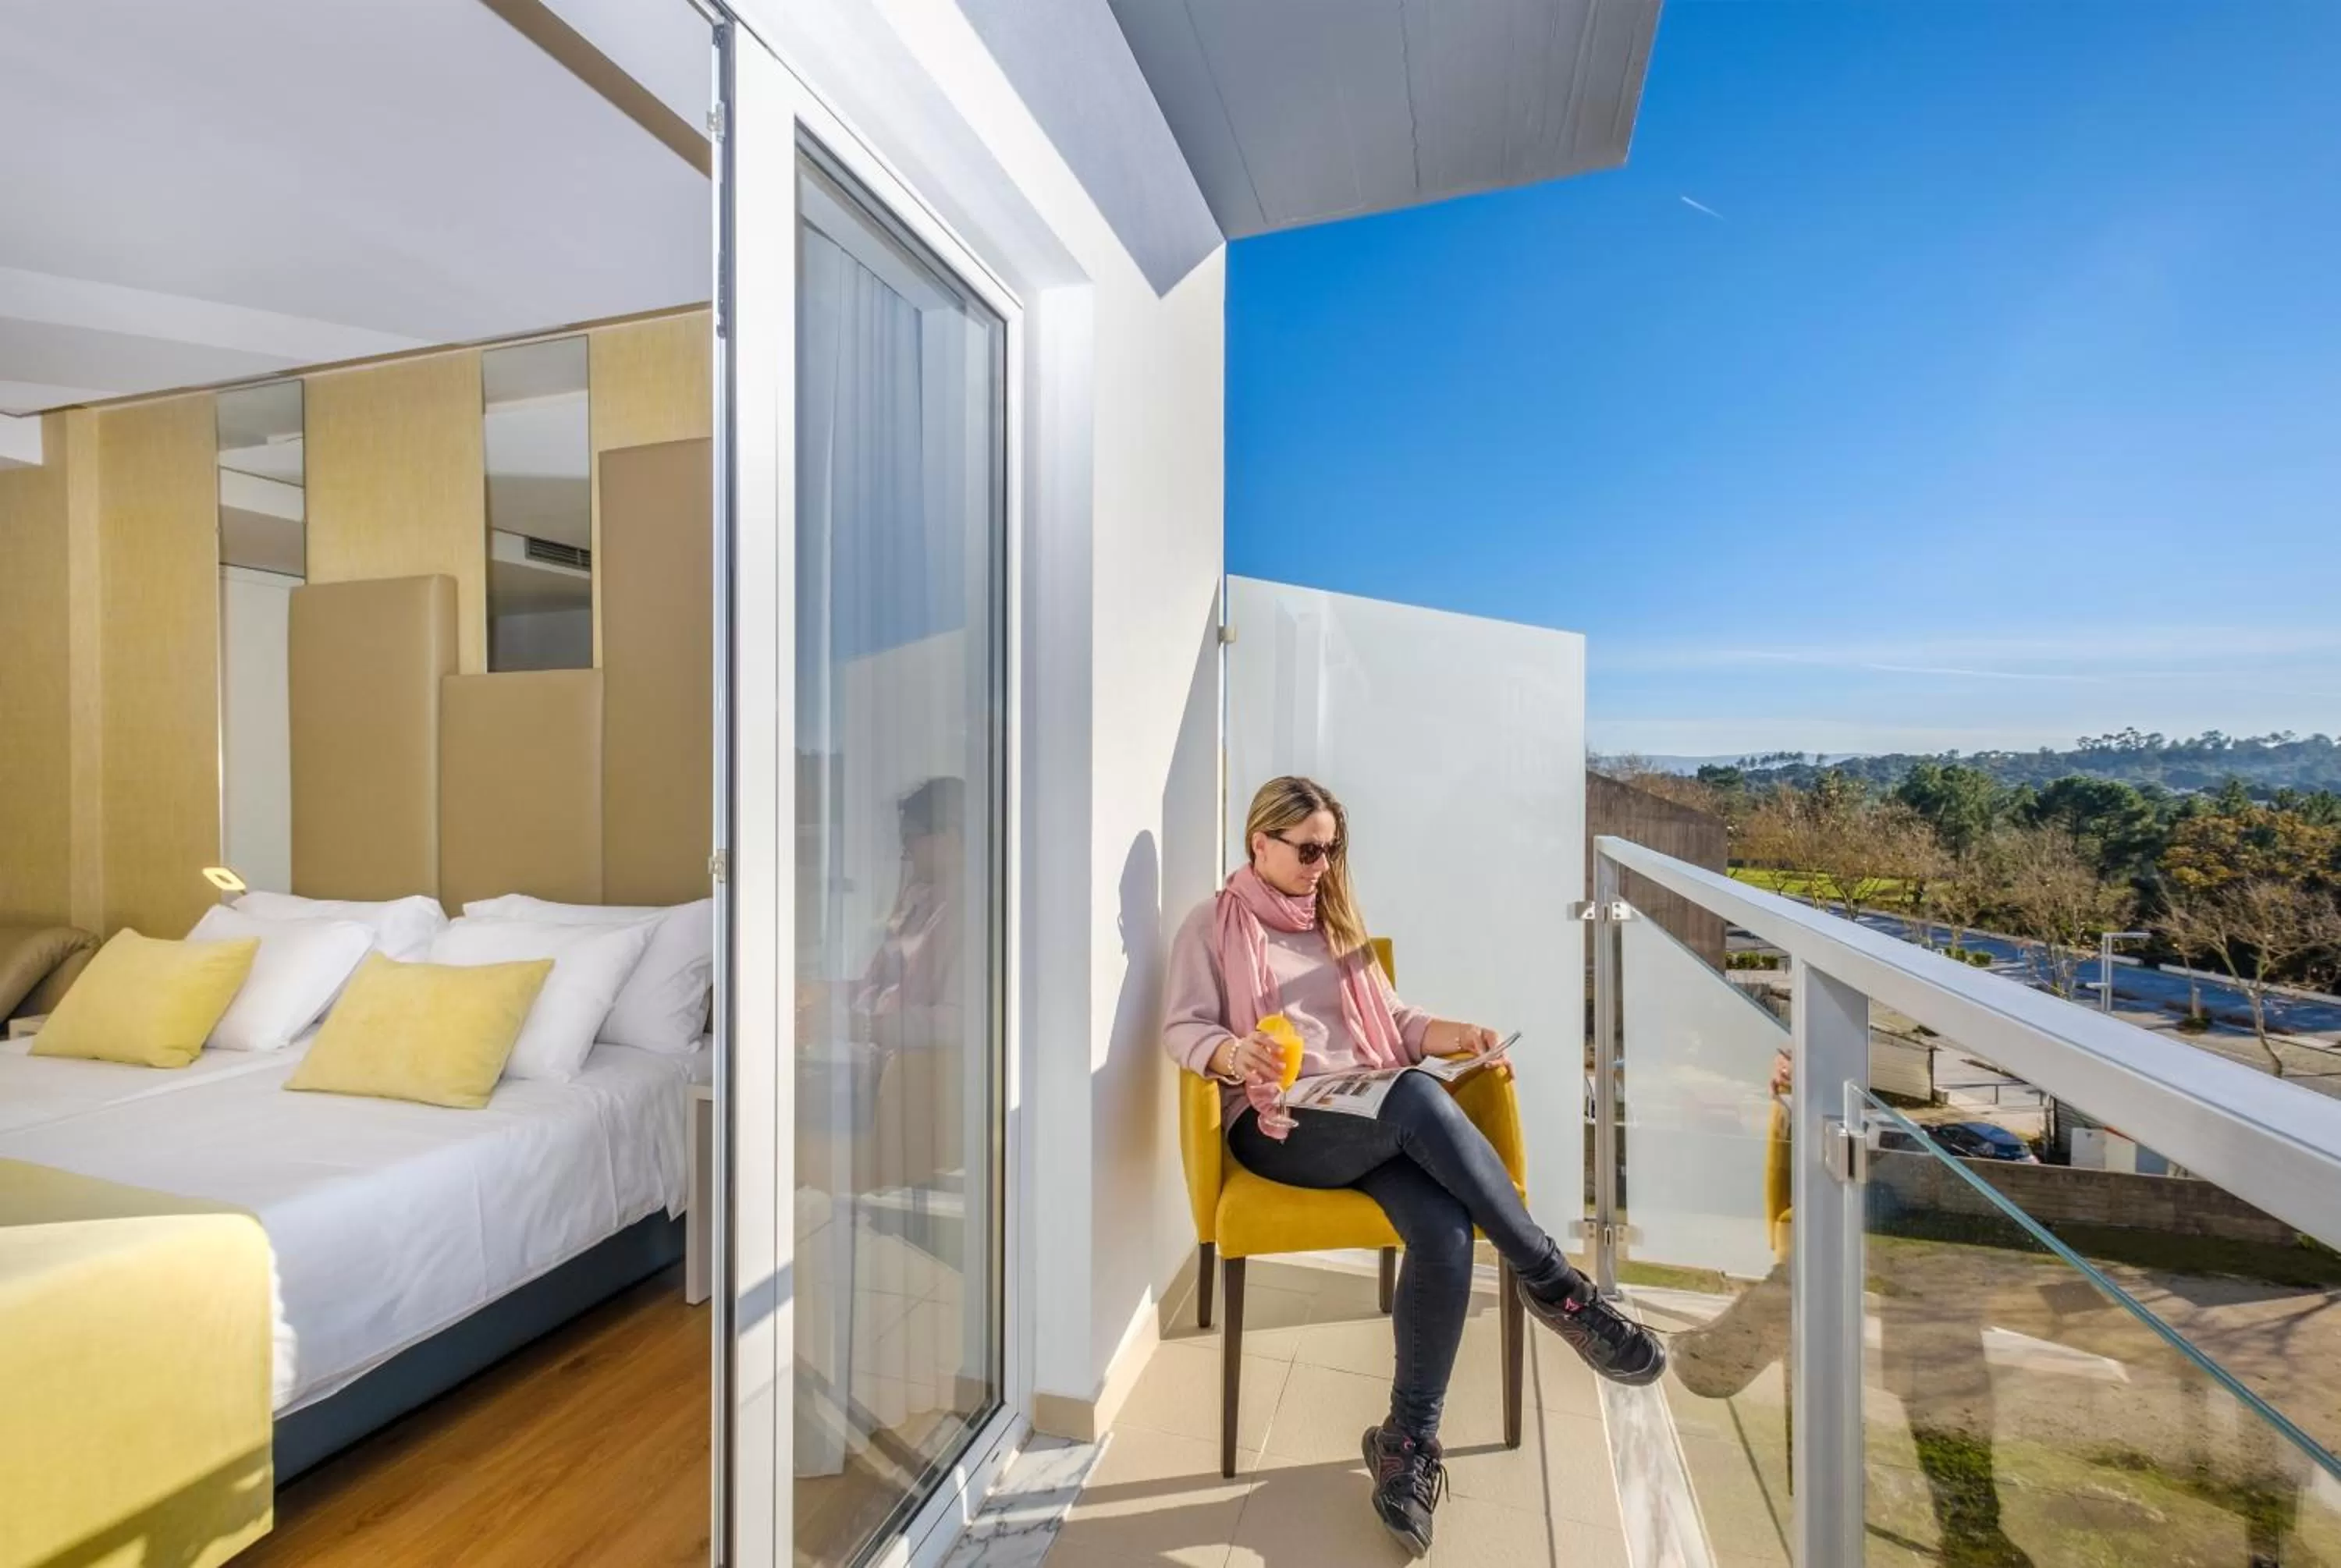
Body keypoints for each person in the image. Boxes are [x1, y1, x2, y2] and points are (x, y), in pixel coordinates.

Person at [1163, 775, 1666, 1556]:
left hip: (1364, 1119)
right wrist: (1234, 1051)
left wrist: (1456, 1033)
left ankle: (1405, 1443)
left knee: (1443, 1229)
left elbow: (1393, 1024)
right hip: (1278, 1121)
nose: (1322, 864)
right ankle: (1555, 1285)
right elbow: (1182, 1028)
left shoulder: (1335, 927)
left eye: (1331, 850)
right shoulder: (1213, 925)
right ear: (1258, 843)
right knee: (1417, 1102)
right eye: (1307, 849)